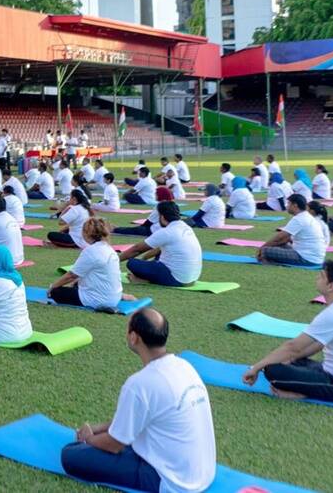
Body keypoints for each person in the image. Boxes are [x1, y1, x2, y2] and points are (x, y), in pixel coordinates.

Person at [61, 309, 216, 493]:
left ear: (134, 337)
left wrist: (88, 439)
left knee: (70, 455)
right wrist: (96, 428)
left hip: (172, 480)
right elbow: (133, 421)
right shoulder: (184, 366)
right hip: (202, 473)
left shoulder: (140, 383)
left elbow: (114, 445)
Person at [242, 260, 333, 405]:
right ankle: (304, 387)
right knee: (287, 359)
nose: (317, 277)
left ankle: (301, 394)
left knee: (272, 370)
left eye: (321, 276)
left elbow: (293, 347)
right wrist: (291, 358)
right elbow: (317, 345)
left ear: (331, 286)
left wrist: (256, 367)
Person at [50, 219, 132, 310]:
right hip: (114, 298)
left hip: (97, 301)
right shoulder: (109, 249)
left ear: (86, 233)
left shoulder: (91, 251)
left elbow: (71, 275)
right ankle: (119, 296)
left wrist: (52, 287)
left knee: (56, 292)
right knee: (75, 284)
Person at [118, 202, 203, 287]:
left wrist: (114, 261)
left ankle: (144, 280)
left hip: (177, 280)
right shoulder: (186, 227)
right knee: (154, 259)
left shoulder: (167, 232)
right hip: (191, 279)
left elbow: (136, 250)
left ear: (161, 217)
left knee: (132, 263)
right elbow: (158, 249)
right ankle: (146, 278)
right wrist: (144, 259)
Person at [256, 194, 325, 267]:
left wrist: (261, 248)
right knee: (279, 245)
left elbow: (279, 237)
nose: (286, 206)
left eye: (288, 203)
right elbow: (284, 240)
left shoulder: (299, 219)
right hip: (314, 258)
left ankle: (269, 260)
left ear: (295, 205)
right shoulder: (307, 216)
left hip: (306, 258)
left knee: (265, 251)